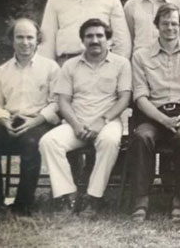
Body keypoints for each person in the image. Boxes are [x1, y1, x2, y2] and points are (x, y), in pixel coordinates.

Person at [39, 19, 131, 216]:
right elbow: (63, 101)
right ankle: (67, 195)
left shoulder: (121, 64)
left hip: (107, 122)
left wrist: (102, 121)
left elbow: (124, 99)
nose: (95, 40)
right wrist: (75, 124)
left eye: (100, 36)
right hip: (76, 122)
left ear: (109, 40)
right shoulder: (70, 66)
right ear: (82, 40)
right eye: (89, 36)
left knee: (109, 141)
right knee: (49, 141)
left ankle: (93, 197)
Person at [128, 3, 180, 222]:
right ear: (156, 26)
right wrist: (164, 120)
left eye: (174, 23)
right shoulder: (141, 56)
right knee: (142, 137)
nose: (170, 28)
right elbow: (140, 97)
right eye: (165, 23)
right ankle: (141, 199)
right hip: (153, 114)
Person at [0, 19, 60, 217]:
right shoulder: (2, 71)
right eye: (20, 37)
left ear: (37, 39)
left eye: (30, 37)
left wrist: (36, 121)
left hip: (39, 121)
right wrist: (4, 121)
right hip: (10, 121)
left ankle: (23, 204)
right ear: (12, 40)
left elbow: (57, 102)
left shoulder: (50, 68)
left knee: (30, 143)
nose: (25, 42)